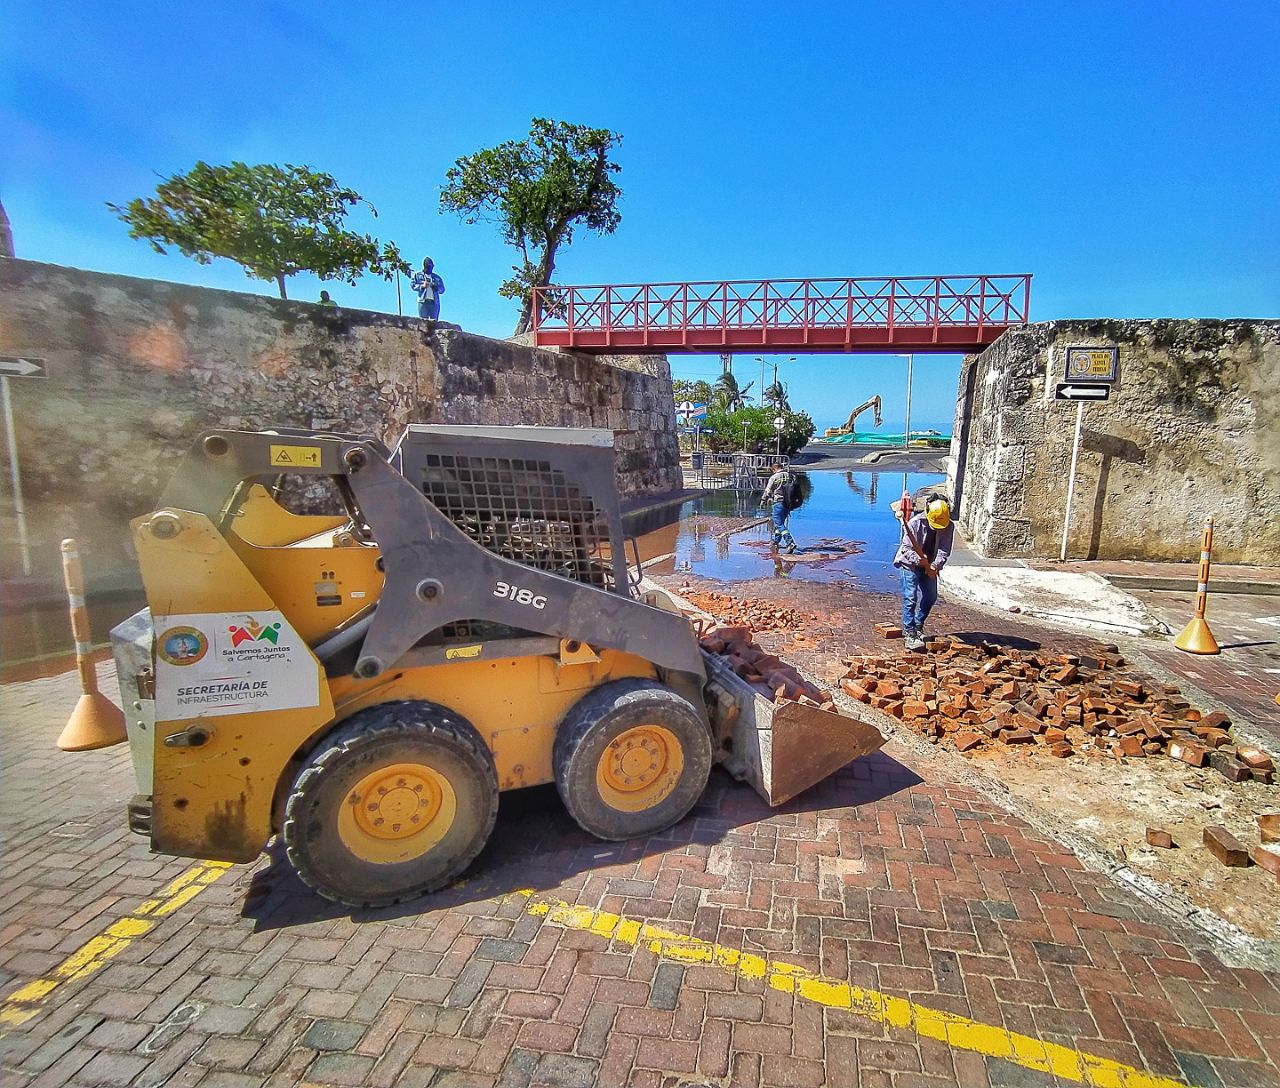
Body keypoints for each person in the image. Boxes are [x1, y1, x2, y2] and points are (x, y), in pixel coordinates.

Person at [893, 493, 954, 651]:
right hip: (910, 564)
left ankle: (918, 624)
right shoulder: (915, 523)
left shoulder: (948, 525)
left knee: (931, 596)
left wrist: (935, 566)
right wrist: (919, 559)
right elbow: (906, 549)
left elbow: (944, 550)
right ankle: (909, 633)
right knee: (910, 597)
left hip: (930, 565)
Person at [760, 460, 800, 555]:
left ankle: (790, 542)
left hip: (778, 502)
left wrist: (763, 500)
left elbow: (768, 491)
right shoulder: (790, 476)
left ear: (774, 469)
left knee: (779, 524)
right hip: (788, 503)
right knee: (780, 522)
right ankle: (776, 541)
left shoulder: (774, 477)